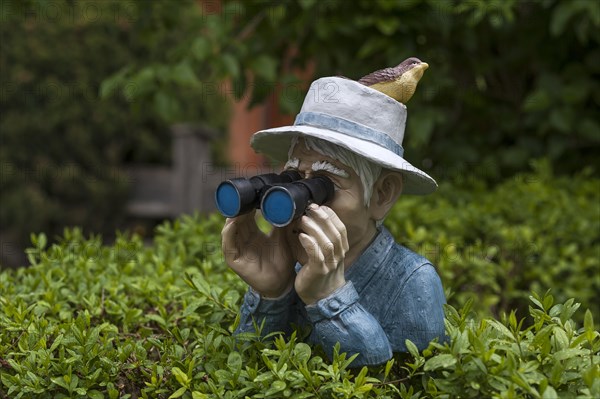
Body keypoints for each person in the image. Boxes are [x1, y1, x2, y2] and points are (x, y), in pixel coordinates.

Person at [221, 76, 446, 367]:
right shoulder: (294, 266)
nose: (299, 205)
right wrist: (271, 294)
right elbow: (246, 371)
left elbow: (402, 383)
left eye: (323, 185)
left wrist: (329, 297)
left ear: (382, 194)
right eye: (291, 181)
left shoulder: (413, 282)